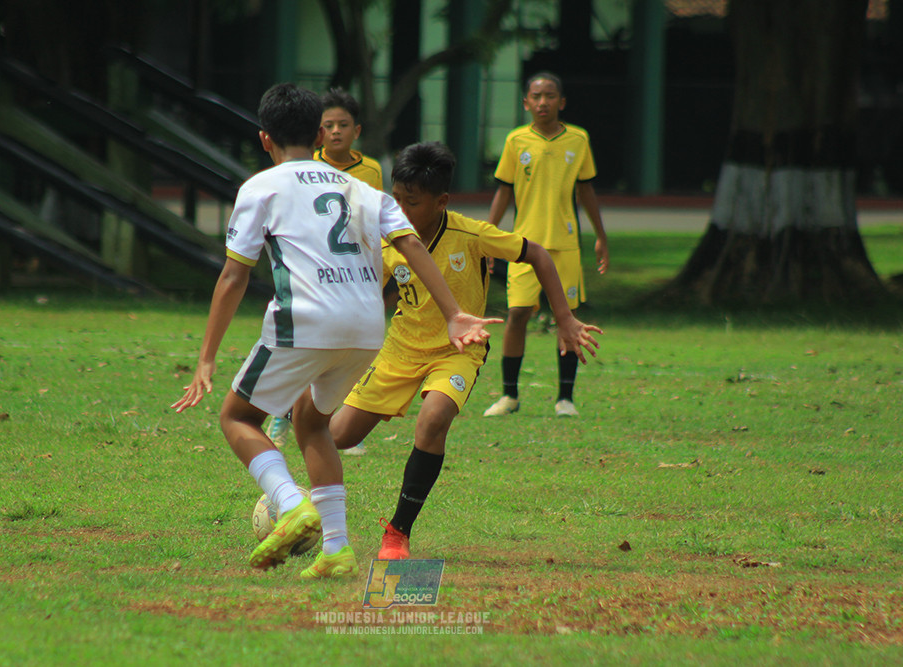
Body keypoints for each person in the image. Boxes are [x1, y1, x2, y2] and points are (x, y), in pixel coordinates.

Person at [171, 84, 498, 580]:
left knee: (238, 418)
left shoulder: (261, 187)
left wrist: (207, 357)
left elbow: (234, 275)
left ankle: (290, 502)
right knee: (312, 422)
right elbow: (411, 246)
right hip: (366, 327)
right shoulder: (366, 190)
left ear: (265, 139)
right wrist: (454, 312)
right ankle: (338, 548)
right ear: (321, 133)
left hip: (304, 320)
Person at [329, 142, 603, 559]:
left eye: (411, 202)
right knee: (338, 435)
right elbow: (373, 293)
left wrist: (563, 317)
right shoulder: (387, 240)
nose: (399, 210)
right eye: (395, 200)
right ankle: (300, 506)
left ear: (440, 202)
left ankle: (397, 532)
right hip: (400, 350)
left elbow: (539, 255)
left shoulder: (469, 233)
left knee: (433, 418)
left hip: (458, 350)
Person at [483, 71, 609, 419]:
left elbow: (586, 190)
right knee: (517, 314)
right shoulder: (516, 141)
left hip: (565, 245)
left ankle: (565, 398)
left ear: (561, 102)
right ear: (526, 103)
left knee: (566, 318)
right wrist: (488, 237)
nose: (542, 102)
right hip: (523, 245)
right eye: (536, 97)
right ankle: (509, 396)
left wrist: (601, 235)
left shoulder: (578, 140)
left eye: (549, 96)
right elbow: (503, 191)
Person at [268, 87, 384, 450]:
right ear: (318, 131)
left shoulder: (370, 171)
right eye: (328, 125)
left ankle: (339, 423)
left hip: (354, 273)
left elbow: (374, 225)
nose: (336, 131)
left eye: (343, 125)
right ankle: (283, 411)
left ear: (357, 130)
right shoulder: (304, 167)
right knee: (310, 345)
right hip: (311, 272)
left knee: (348, 350)